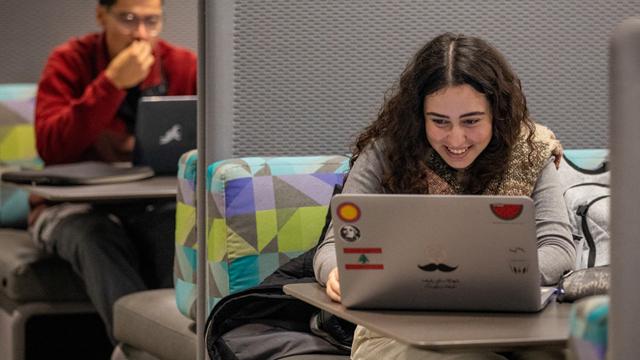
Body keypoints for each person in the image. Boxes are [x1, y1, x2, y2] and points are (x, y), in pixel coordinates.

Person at [313, 33, 575, 359]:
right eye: (439, 122)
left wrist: (495, 282)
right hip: (399, 331)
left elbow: (558, 247)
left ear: (497, 113)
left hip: (510, 327)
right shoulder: (386, 152)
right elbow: (334, 246)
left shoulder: (530, 151)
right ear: (419, 114)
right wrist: (336, 272)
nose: (456, 138)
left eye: (472, 121)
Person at [28, 0, 197, 344]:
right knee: (95, 237)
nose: (140, 33)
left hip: (150, 204)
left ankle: (173, 345)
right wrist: (110, 84)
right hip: (70, 208)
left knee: (175, 231)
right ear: (101, 15)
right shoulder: (69, 61)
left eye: (152, 21)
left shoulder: (182, 65)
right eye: (128, 19)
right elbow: (51, 148)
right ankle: (139, 348)